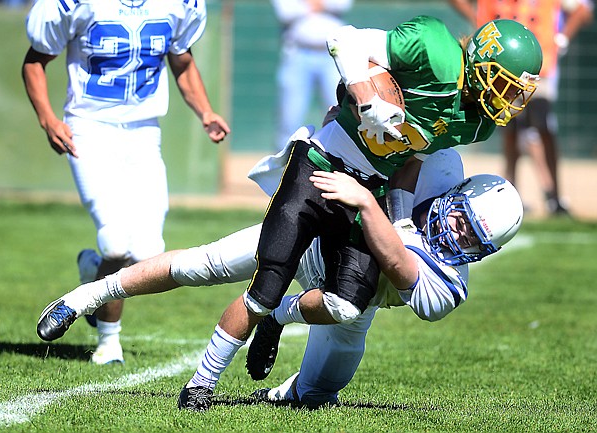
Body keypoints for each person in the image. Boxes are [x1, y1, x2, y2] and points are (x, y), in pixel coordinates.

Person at [176, 15, 540, 410]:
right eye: (505, 86)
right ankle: (146, 326)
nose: (508, 101)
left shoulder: (474, 132)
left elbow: (412, 174)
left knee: (319, 388)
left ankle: (280, 330)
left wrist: (396, 224)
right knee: (214, 267)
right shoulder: (436, 62)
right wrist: (365, 101)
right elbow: (347, 46)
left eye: (517, 93)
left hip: (367, 266)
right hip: (337, 200)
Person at [36, 148, 524, 409]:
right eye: (460, 217)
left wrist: (372, 205)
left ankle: (277, 331)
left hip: (353, 299)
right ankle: (85, 295)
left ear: (484, 253)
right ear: (454, 196)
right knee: (196, 265)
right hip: (312, 240)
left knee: (315, 395)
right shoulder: (439, 173)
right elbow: (407, 154)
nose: (456, 233)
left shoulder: (448, 286)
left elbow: (398, 263)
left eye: (472, 238)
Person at [22, 0, 230, 365]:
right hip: (88, 127)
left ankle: (92, 272)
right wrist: (47, 119)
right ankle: (108, 341)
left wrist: (205, 111)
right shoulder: (75, 4)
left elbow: (182, 59)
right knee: (116, 242)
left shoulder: (180, 5)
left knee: (149, 253)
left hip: (143, 131)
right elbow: (35, 60)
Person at [450, 0, 594, 216]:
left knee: (540, 126)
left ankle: (553, 194)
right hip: (501, 68)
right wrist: (478, 21)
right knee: (510, 129)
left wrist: (562, 37)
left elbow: (584, 9)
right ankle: (511, 190)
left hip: (539, 67)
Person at [271, 0, 353, 151]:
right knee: (289, 118)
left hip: (333, 56)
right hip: (297, 54)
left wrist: (306, 4)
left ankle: (340, 164)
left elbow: (342, 4)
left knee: (341, 114)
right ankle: (283, 170)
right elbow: (285, 11)